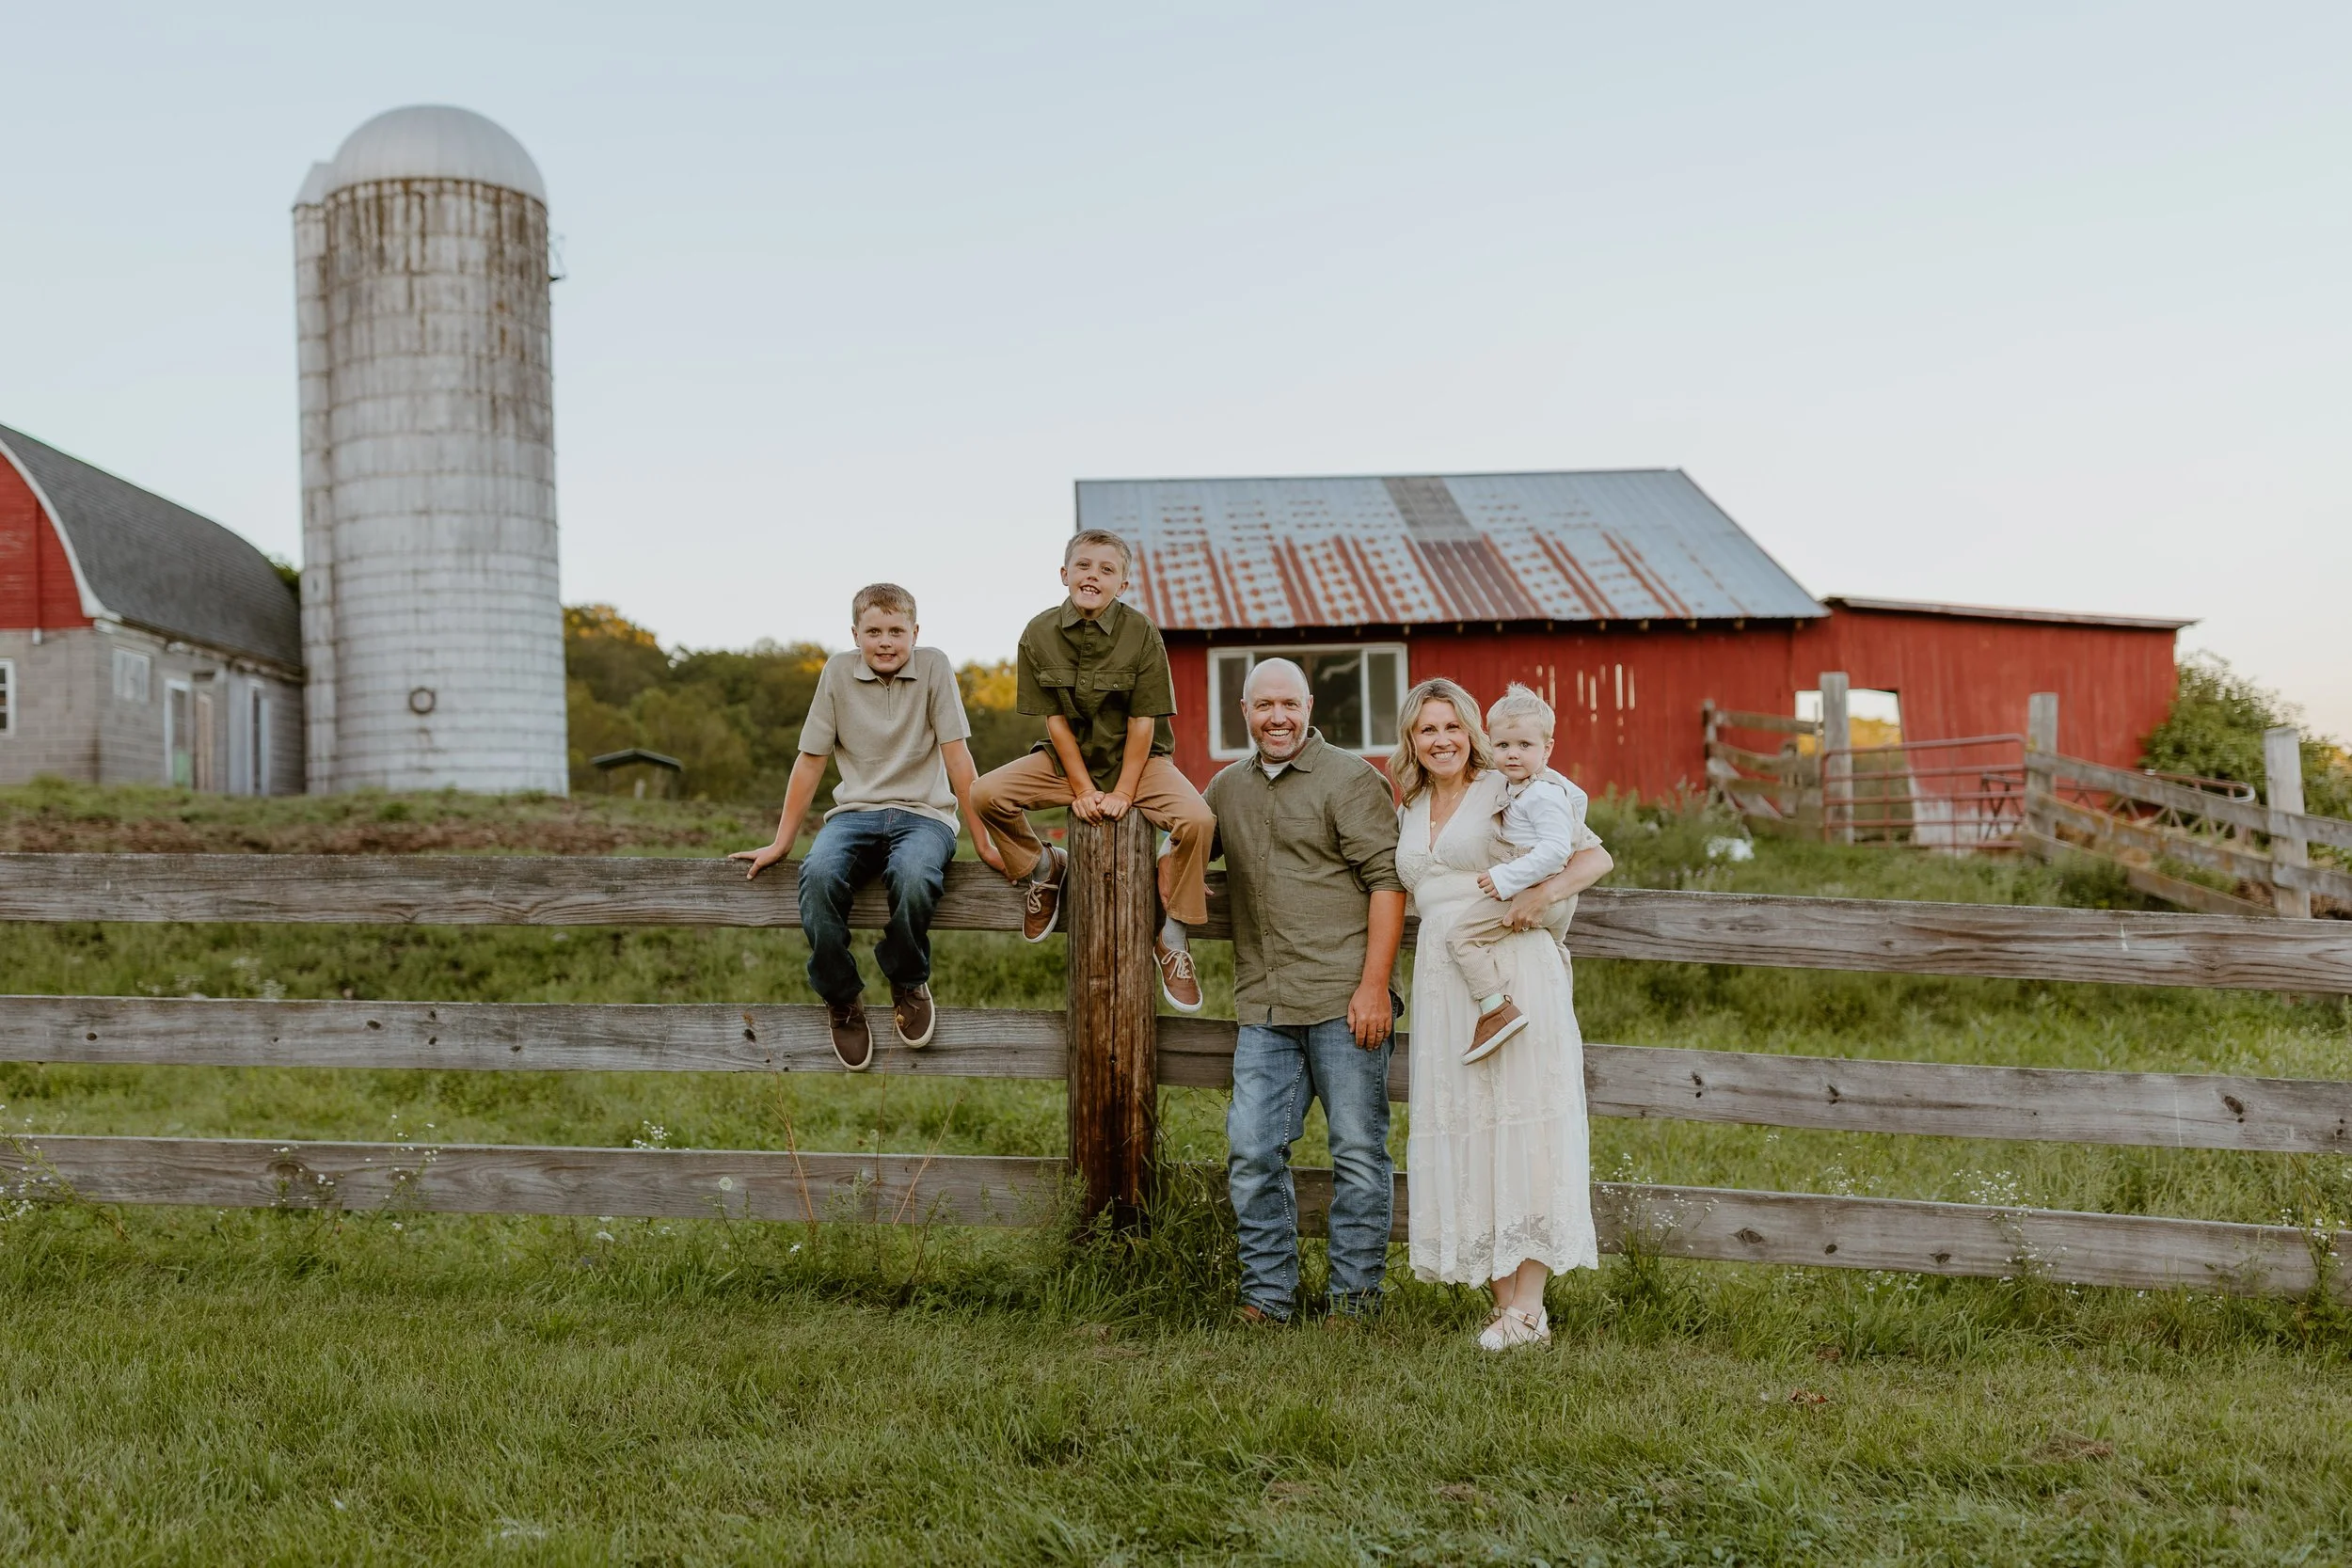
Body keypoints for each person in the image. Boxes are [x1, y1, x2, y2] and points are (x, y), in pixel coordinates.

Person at [1391, 676, 1614, 1351]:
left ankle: (1529, 1304)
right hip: (1444, 978)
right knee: (1468, 1127)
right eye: (1428, 729)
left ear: (1472, 733)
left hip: (1514, 966)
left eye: (1453, 726)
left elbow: (1593, 855)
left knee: (1527, 1120)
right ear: (1413, 739)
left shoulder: (1511, 785)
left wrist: (1538, 894)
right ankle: (1508, 1307)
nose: (1442, 739)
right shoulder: (1410, 805)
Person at [1204, 657, 1406, 1324]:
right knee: (1253, 1150)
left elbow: (1387, 882)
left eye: (1289, 703)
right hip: (1264, 1002)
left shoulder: (1349, 779)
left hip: (1344, 998)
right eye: (1264, 705)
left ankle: (1355, 1302)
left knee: (1356, 1153)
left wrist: (1375, 986)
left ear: (1310, 704)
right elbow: (1184, 851)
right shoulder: (1225, 788)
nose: (1278, 717)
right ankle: (1268, 1296)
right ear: (1245, 712)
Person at [731, 583, 991, 1071]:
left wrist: (984, 840)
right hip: (855, 814)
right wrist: (782, 841)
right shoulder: (836, 673)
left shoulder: (934, 666)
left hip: (924, 814)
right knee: (819, 876)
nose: (886, 641)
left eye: (897, 631)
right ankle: (842, 997)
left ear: (916, 632)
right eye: (873, 631)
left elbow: (959, 759)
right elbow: (810, 761)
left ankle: (907, 978)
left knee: (914, 876)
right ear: (856, 634)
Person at [966, 529, 1215, 1014]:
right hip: (1066, 761)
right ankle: (1045, 867)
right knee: (984, 794)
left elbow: (1145, 723)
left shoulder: (1142, 634)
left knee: (1198, 821)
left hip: (1140, 765)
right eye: (1083, 566)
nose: (1092, 576)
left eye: (1106, 569)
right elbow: (1054, 721)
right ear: (1064, 575)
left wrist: (1123, 791)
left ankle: (1173, 936)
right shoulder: (1037, 635)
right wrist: (1080, 788)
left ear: (1122, 584)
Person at [1448, 683, 1593, 1063]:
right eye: (1503, 746)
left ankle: (1496, 1009)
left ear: (1547, 748)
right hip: (1551, 892)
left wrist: (1505, 878)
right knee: (1557, 951)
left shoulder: (1542, 793)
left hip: (1535, 886)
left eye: (1525, 746)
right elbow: (1578, 798)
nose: (1513, 755)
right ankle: (1559, 1012)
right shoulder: (1533, 787)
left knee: (1462, 936)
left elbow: (1556, 849)